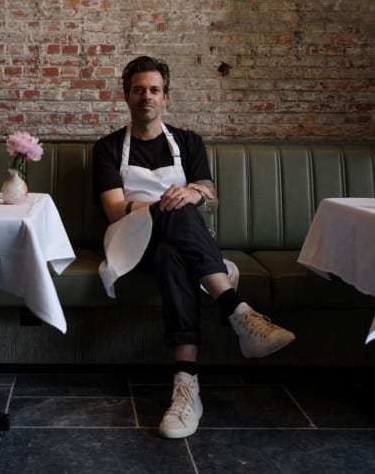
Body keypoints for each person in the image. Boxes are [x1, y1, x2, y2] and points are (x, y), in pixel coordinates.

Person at [92, 55, 295, 439]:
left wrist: (193, 195)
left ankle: (186, 387)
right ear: (126, 96)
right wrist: (165, 203)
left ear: (166, 97)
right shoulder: (107, 148)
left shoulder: (188, 142)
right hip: (131, 244)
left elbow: (210, 199)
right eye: (139, 90)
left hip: (177, 248)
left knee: (175, 249)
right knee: (177, 206)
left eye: (154, 90)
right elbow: (115, 210)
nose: (146, 96)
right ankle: (236, 310)